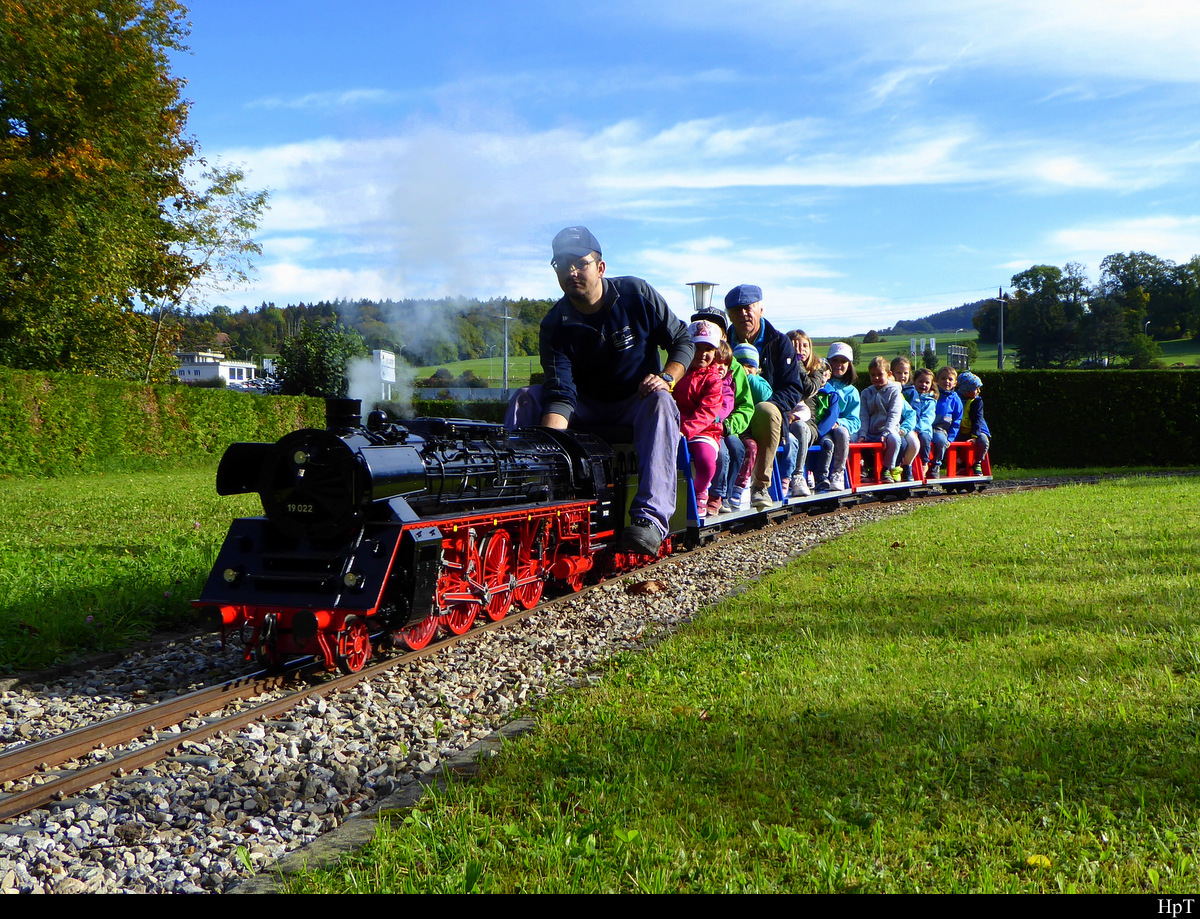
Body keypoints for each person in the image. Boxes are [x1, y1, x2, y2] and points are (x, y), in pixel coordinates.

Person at [505, 226, 693, 554]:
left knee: (662, 401)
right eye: (562, 265)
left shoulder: (637, 294)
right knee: (525, 397)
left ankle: (652, 519)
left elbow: (682, 339)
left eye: (580, 263)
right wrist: (552, 450)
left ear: (600, 267)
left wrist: (667, 377)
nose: (571, 272)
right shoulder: (554, 325)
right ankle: (521, 497)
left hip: (636, 400)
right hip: (585, 405)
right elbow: (560, 392)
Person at [724, 285, 805, 510]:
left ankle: (760, 486)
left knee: (766, 411)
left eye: (748, 308)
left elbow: (792, 388)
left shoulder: (779, 343)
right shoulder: (721, 343)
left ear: (761, 308)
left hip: (765, 415)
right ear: (729, 314)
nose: (743, 314)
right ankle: (719, 494)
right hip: (728, 409)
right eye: (736, 309)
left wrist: (770, 405)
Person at [673, 321, 731, 518]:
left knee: (706, 460)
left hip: (704, 430)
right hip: (676, 428)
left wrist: (685, 430)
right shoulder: (678, 372)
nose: (702, 353)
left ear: (715, 353)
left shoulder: (713, 379)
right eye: (697, 348)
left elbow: (707, 411)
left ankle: (699, 491)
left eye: (708, 349)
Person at [817, 342, 861, 491]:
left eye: (843, 361)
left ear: (849, 365)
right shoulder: (821, 384)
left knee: (841, 432)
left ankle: (838, 473)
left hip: (842, 430)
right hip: (822, 428)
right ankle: (818, 476)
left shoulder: (852, 392)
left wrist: (838, 422)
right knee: (826, 442)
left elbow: (855, 421)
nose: (838, 365)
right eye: (835, 360)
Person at [858, 355, 904, 483]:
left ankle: (887, 468)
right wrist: (862, 434)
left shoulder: (894, 391)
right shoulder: (866, 393)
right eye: (873, 375)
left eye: (879, 374)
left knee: (894, 439)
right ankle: (866, 468)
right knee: (856, 439)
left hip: (888, 429)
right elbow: (864, 415)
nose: (876, 378)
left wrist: (886, 432)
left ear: (889, 374)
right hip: (871, 430)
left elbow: (894, 414)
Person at [928, 365, 963, 479]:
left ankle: (935, 465)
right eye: (943, 378)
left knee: (940, 441)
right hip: (927, 426)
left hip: (940, 429)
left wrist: (950, 438)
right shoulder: (932, 394)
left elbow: (957, 421)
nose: (946, 381)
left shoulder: (955, 400)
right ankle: (918, 465)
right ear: (937, 380)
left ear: (955, 383)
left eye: (950, 379)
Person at [956, 371, 991, 475]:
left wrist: (975, 436)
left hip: (977, 429)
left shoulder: (977, 401)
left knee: (983, 441)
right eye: (976, 389)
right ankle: (959, 462)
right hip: (961, 428)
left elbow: (978, 419)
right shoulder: (955, 398)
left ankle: (977, 461)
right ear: (967, 389)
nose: (979, 391)